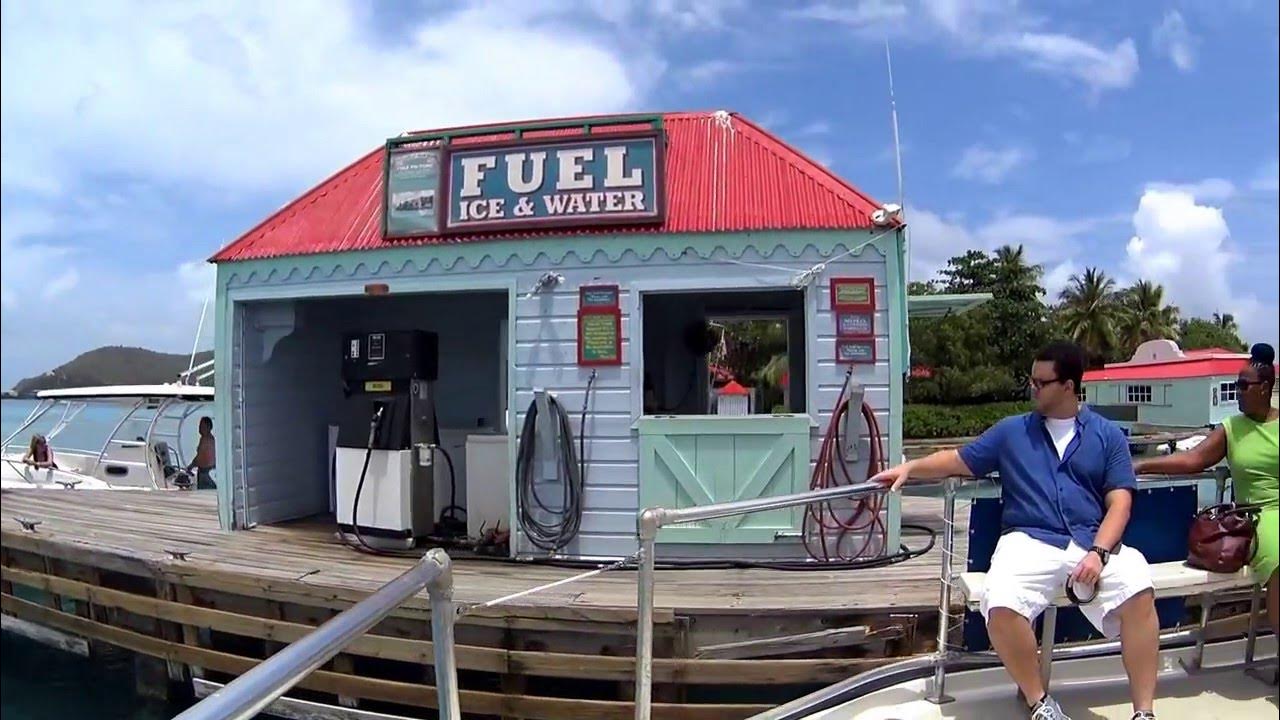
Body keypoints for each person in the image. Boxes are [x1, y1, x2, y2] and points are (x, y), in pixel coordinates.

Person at [872, 341, 1159, 720]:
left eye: (1042, 382)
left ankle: (1144, 713)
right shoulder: (1012, 432)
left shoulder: (1108, 436)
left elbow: (1120, 502)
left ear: (1069, 386)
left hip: (1091, 540)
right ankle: (1040, 702)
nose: (1033, 389)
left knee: (1139, 590)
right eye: (1031, 381)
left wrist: (1099, 552)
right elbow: (960, 459)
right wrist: (911, 469)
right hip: (1028, 539)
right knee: (1001, 601)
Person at [1135, 342, 1278, 642]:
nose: (1237, 391)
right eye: (1235, 385)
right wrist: (1141, 466)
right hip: (1261, 515)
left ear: (1264, 388)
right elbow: (1194, 459)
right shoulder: (1232, 428)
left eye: (1243, 385)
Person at [186, 416, 216, 490]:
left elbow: (200, 458)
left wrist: (191, 466)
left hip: (205, 473)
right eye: (199, 426)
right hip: (206, 472)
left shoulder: (207, 440)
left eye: (202, 426)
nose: (199, 428)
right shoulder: (206, 439)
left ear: (208, 427)